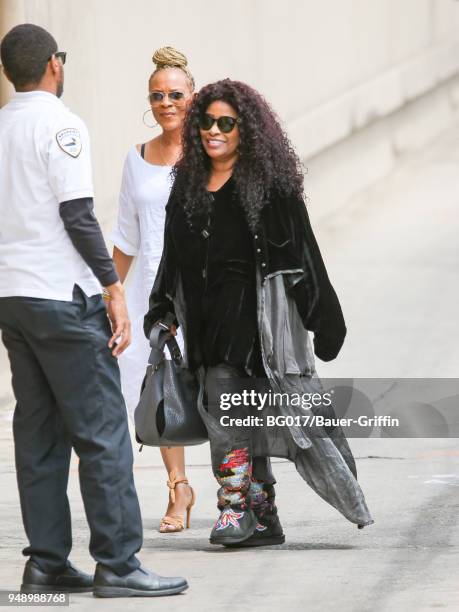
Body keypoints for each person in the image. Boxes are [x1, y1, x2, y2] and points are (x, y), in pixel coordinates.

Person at [144, 79, 374, 547]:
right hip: (203, 332)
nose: (214, 131)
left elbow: (303, 258)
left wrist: (325, 323)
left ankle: (234, 510)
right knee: (242, 423)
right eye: (206, 122)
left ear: (245, 130)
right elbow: (173, 257)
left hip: (254, 334)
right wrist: (162, 309)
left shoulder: (269, 190)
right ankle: (264, 516)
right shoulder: (186, 185)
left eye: (225, 123)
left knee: (228, 418)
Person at [0, 24, 187, 597]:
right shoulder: (61, 124)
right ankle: (119, 564)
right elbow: (78, 214)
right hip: (62, 298)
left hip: (14, 300)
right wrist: (112, 289)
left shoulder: (2, 125)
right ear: (55, 65)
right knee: (103, 429)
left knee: (38, 432)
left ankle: (47, 564)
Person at [110, 47, 196, 533]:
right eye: (157, 95)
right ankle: (178, 488)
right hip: (153, 294)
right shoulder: (137, 158)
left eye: (175, 94)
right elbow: (126, 236)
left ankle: (240, 487)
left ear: (193, 97)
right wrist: (110, 295)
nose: (165, 102)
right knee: (165, 391)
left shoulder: (211, 151)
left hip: (202, 290)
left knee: (212, 386)